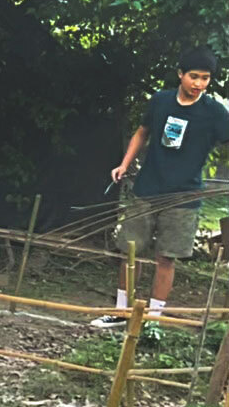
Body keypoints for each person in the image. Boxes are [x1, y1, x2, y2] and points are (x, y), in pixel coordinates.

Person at [93, 46, 229, 327]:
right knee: (131, 251)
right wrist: (124, 164)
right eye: (194, 76)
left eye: (205, 78)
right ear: (180, 74)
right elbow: (143, 131)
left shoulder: (215, 112)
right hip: (147, 188)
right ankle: (121, 312)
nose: (199, 84)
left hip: (185, 196)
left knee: (167, 258)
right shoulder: (160, 101)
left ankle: (153, 319)